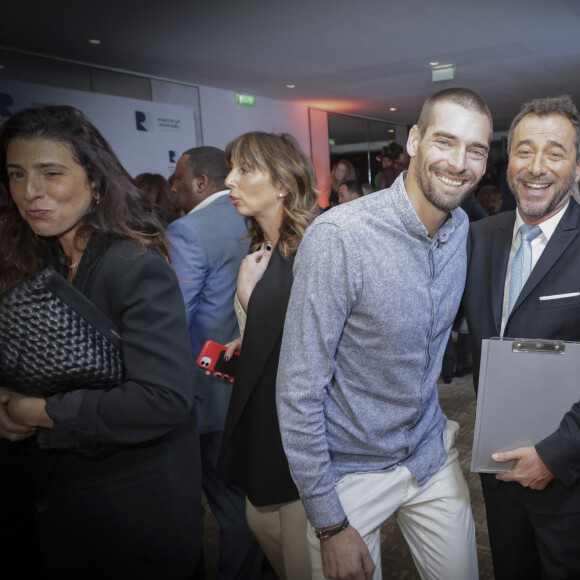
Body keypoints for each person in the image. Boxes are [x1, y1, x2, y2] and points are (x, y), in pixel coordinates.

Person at [276, 87, 493, 580]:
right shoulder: (341, 238)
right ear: (414, 141)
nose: (459, 163)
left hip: (428, 453)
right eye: (445, 141)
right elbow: (297, 391)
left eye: (476, 150)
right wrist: (330, 525)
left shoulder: (460, 228)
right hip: (348, 472)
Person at [0, 105, 203, 579]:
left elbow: (164, 399)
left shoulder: (132, 265)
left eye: (52, 173)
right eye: (16, 174)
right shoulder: (27, 259)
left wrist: (42, 412)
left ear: (94, 182)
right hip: (44, 510)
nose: (31, 192)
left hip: (124, 521)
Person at [463, 95, 580, 579]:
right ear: (506, 161)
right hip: (497, 470)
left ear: (577, 164)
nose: (536, 167)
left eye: (555, 152)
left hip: (569, 477)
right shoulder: (477, 238)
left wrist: (554, 455)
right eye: (523, 151)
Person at [218, 131, 318, 580]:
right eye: (230, 168)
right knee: (264, 525)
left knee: (303, 556)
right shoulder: (264, 250)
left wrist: (246, 298)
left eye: (243, 169)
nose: (229, 180)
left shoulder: (317, 246)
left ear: (282, 183)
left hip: (301, 428)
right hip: (267, 418)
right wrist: (247, 327)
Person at [166, 146, 263, 579]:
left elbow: (174, 319)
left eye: (178, 179)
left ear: (201, 182)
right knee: (252, 495)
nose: (173, 188)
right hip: (253, 380)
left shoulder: (187, 231)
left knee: (227, 503)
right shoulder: (253, 217)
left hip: (209, 390)